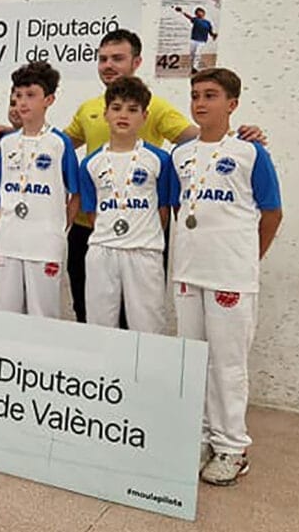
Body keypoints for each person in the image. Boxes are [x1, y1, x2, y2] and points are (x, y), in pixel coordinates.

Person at [63, 29, 263, 324]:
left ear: (136, 61)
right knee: (90, 314)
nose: (109, 65)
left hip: (142, 234)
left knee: (141, 319)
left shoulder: (156, 107)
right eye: (103, 59)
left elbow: (199, 138)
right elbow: (60, 147)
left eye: (118, 58)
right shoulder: (89, 108)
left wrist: (238, 138)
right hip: (91, 230)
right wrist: (8, 135)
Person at [168, 68, 282, 487]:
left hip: (230, 275)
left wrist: (248, 259)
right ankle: (200, 437)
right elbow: (179, 210)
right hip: (187, 273)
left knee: (227, 365)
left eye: (211, 95)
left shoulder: (252, 152)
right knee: (193, 359)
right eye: (195, 95)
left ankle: (233, 446)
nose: (200, 103)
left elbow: (272, 213)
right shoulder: (180, 156)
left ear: (232, 104)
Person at [77, 76, 174, 332]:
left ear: (144, 116)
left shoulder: (160, 160)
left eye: (133, 110)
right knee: (99, 326)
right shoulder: (90, 164)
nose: (124, 115)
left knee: (148, 327)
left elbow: (163, 212)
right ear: (106, 114)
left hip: (143, 251)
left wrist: (141, 236)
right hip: (102, 251)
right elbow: (92, 214)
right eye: (117, 108)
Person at [0, 62, 79, 317]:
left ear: (49, 99)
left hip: (44, 245)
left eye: (30, 95)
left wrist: (59, 230)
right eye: (18, 96)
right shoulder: (6, 143)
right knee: (7, 313)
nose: (22, 102)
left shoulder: (59, 142)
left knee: (43, 315)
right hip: (8, 243)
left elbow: (74, 193)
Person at [174, 6, 217, 73]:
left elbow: (210, 32)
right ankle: (192, 67)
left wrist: (214, 35)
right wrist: (181, 11)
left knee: (197, 53)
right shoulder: (196, 20)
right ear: (196, 14)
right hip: (193, 40)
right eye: (197, 12)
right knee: (192, 55)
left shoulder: (207, 23)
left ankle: (195, 67)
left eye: (200, 11)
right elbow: (188, 16)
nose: (199, 13)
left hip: (202, 41)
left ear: (203, 13)